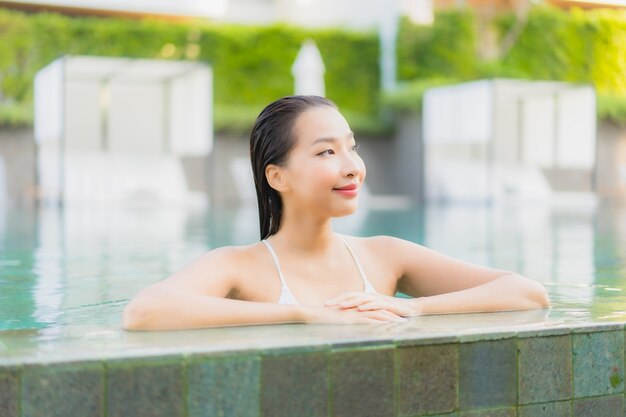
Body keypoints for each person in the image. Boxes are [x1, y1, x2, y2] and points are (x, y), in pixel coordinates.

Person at [122, 95, 550, 331]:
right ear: (277, 177)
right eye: (326, 151)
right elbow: (145, 312)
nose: (352, 166)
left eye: (351, 147)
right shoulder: (238, 267)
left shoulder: (385, 256)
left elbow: (527, 293)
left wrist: (413, 308)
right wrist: (303, 313)